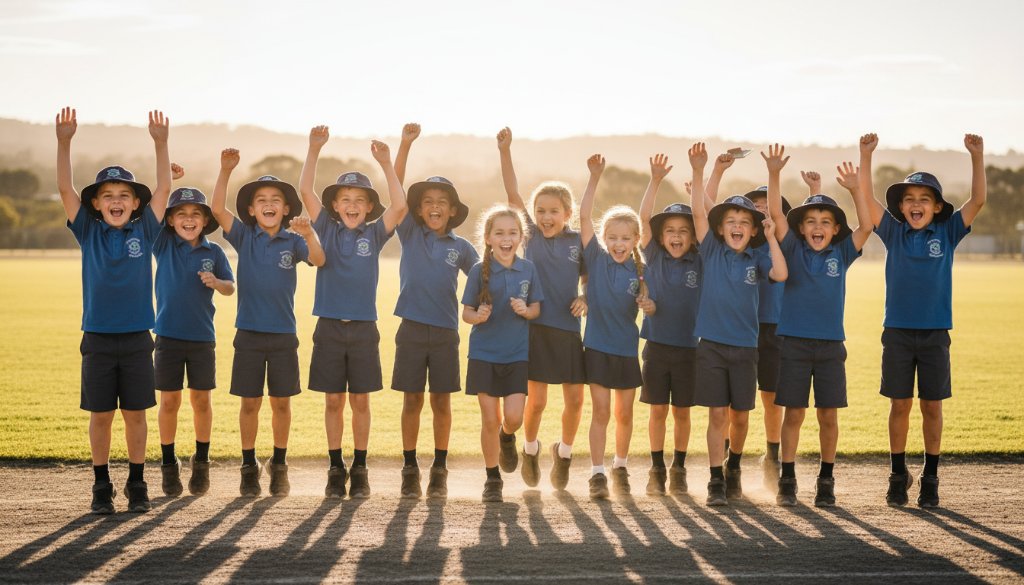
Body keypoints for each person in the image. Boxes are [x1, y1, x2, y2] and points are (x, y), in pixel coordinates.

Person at [857, 132, 987, 508]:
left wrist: (976, 156)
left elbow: (977, 200)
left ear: (935, 207)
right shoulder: (894, 233)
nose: (916, 205)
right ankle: (898, 474)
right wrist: (866, 156)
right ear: (901, 207)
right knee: (899, 405)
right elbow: (866, 198)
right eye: (909, 200)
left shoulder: (947, 232)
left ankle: (930, 476)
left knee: (932, 406)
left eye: (924, 200)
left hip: (934, 334)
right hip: (896, 332)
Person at [56, 107, 172, 513]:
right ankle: (101, 485)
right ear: (97, 204)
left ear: (136, 203)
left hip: (139, 337)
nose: (117, 200)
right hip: (99, 339)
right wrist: (65, 142)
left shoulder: (146, 228)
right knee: (102, 415)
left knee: (136, 415)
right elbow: (66, 189)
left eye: (124, 195)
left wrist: (160, 144)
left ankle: (137, 484)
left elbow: (164, 190)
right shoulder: (88, 230)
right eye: (108, 195)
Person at [298, 126, 409, 499]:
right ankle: (335, 466)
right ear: (334, 205)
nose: (351, 204)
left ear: (367, 207)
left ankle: (359, 467)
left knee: (361, 401)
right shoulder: (324, 227)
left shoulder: (374, 234)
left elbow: (400, 206)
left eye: (359, 199)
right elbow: (305, 191)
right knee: (333, 401)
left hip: (363, 329)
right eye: (345, 198)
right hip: (329, 326)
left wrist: (386, 163)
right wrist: (314, 149)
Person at [211, 148, 325, 497]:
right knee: (249, 403)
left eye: (276, 199)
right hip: (248, 333)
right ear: (251, 209)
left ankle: (279, 464)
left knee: (280, 403)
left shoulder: (293, 239)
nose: (268, 204)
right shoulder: (245, 236)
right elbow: (217, 210)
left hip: (283, 335)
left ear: (286, 208)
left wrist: (308, 234)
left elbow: (319, 259)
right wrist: (226, 169)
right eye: (261, 200)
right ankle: (249, 466)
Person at [496, 127, 587, 491]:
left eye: (554, 211)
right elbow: (512, 193)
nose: (546, 217)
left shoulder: (577, 242)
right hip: (534, 328)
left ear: (568, 213)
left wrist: (586, 297)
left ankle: (563, 454)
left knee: (576, 400)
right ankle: (529, 449)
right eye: (541, 211)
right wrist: (505, 151)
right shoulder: (529, 234)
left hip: (567, 330)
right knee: (536, 402)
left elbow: (590, 279)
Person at [461, 205, 544, 502]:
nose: (506, 238)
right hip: (484, 353)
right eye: (499, 233)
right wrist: (478, 316)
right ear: (488, 238)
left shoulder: (528, 269)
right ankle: (492, 478)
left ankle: (508, 438)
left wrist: (527, 310)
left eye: (512, 232)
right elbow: (466, 314)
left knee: (513, 418)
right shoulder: (477, 271)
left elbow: (536, 307)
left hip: (516, 354)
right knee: (489, 419)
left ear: (521, 237)